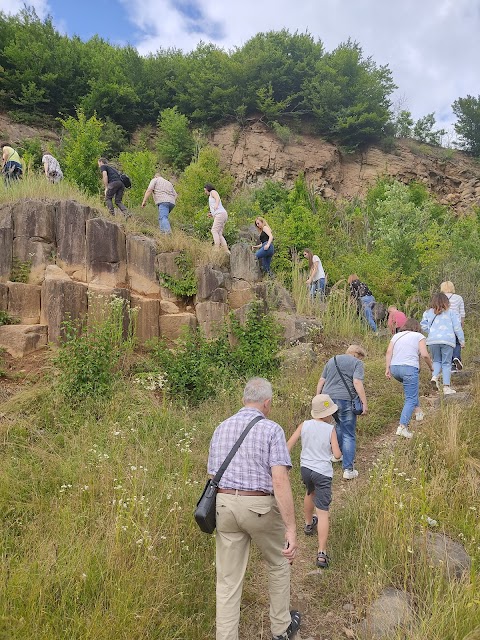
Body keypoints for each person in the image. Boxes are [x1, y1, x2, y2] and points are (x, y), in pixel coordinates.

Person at [207, 377, 300, 640]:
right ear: (267, 403)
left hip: (224, 505)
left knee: (227, 580)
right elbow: (279, 481)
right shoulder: (272, 430)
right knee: (279, 561)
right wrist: (291, 528)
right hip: (259, 505)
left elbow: (212, 474)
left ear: (243, 400)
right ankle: (281, 628)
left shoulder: (221, 428)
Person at [287, 394, 341, 569]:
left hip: (306, 470)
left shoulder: (304, 425)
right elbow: (338, 454)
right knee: (323, 511)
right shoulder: (330, 429)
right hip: (322, 472)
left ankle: (309, 524)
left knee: (310, 492)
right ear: (326, 414)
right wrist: (334, 456)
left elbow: (288, 445)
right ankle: (322, 553)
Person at [316, 345, 367, 480]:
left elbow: (322, 381)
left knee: (339, 425)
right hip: (345, 400)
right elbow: (357, 382)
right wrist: (364, 403)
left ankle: (336, 456)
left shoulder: (332, 360)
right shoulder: (357, 363)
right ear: (357, 355)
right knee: (349, 434)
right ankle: (348, 469)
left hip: (328, 400)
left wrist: (318, 398)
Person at [385, 318, 434, 438]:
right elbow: (425, 355)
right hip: (409, 368)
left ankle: (418, 412)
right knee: (410, 398)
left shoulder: (396, 336)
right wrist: (431, 367)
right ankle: (402, 427)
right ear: (417, 327)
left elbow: (388, 352)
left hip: (395, 368)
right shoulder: (419, 336)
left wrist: (387, 368)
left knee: (411, 391)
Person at [420, 292, 465, 395]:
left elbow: (423, 325)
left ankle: (434, 377)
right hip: (448, 341)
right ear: (446, 302)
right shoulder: (451, 313)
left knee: (436, 361)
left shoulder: (427, 312)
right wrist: (462, 341)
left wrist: (431, 331)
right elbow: (457, 328)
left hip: (433, 341)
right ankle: (446, 387)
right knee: (446, 363)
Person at [440, 281, 465, 372]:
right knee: (457, 343)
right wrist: (462, 324)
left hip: (443, 325)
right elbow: (462, 313)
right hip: (456, 324)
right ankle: (456, 358)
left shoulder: (440, 298)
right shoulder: (458, 298)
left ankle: (451, 366)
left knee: (447, 345)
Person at [204, 183, 229, 252]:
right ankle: (226, 250)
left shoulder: (213, 192)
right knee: (219, 233)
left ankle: (216, 248)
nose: (205, 192)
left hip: (220, 214)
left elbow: (217, 198)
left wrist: (216, 205)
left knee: (214, 230)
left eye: (205, 190)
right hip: (222, 214)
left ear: (207, 188)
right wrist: (212, 214)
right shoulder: (210, 196)